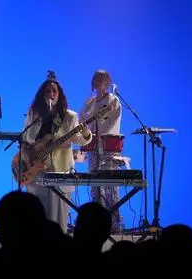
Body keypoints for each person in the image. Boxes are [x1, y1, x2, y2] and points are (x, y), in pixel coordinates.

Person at [22, 71, 92, 233]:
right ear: (42, 94)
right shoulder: (34, 114)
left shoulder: (69, 116)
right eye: (47, 91)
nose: (51, 94)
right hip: (35, 168)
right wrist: (25, 154)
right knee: (38, 212)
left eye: (54, 91)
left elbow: (81, 141)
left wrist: (86, 133)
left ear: (59, 94)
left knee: (58, 216)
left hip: (60, 169)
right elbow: (25, 137)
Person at [78, 69, 123, 230]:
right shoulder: (89, 102)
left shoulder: (113, 101)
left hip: (108, 148)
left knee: (110, 186)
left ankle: (114, 224)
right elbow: (81, 120)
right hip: (93, 148)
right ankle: (96, 223)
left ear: (107, 82)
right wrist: (87, 135)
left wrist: (99, 133)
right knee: (95, 185)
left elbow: (112, 123)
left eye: (101, 79)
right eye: (95, 79)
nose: (97, 82)